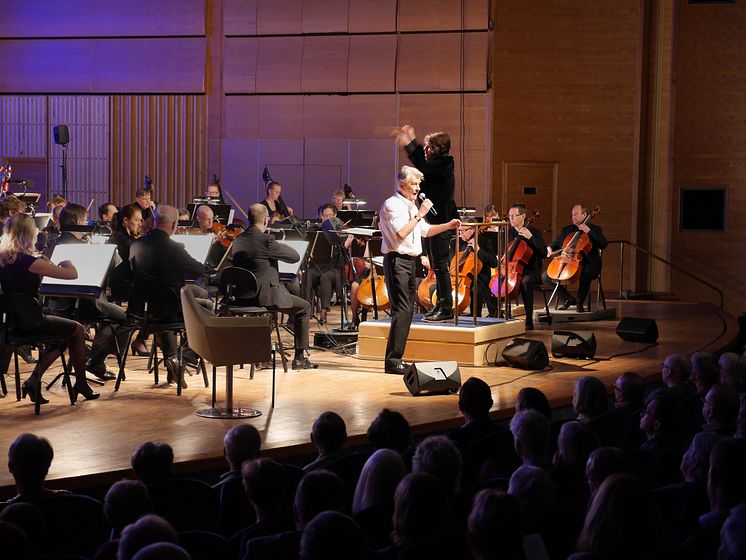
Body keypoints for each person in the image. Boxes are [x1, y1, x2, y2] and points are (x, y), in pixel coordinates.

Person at [0, 214, 100, 403]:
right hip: (30, 322)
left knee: (64, 334)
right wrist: (67, 262)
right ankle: (80, 383)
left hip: (8, 324)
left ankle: (34, 380)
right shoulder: (31, 262)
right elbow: (71, 275)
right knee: (77, 330)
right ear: (29, 235)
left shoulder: (3, 259)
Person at [378, 165, 460, 373]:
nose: (417, 188)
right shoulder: (392, 205)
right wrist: (420, 214)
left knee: (406, 310)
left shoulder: (412, 206)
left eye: (418, 184)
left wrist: (448, 225)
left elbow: (424, 230)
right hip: (397, 260)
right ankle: (393, 360)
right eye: (414, 184)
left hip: (409, 262)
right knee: (402, 310)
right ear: (402, 185)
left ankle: (396, 358)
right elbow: (400, 233)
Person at [129, 205, 210, 385]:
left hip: (143, 313)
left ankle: (173, 362)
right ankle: (183, 358)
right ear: (173, 224)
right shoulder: (174, 248)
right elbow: (198, 269)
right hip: (170, 312)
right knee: (207, 312)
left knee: (164, 310)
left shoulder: (136, 244)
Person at [232, 203, 316, 369]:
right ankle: (299, 359)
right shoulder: (266, 240)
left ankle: (261, 355)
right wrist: (275, 243)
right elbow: (294, 256)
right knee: (305, 307)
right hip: (265, 296)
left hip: (243, 297)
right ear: (265, 220)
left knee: (278, 305)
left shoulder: (238, 239)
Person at [394, 125, 459, 322]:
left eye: (427, 147)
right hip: (432, 221)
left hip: (441, 222)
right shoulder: (438, 165)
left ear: (436, 149)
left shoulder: (444, 164)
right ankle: (440, 305)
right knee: (436, 267)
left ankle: (446, 307)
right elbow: (424, 166)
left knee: (440, 267)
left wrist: (410, 143)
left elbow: (422, 166)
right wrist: (412, 141)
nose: (425, 150)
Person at [544, 204, 607, 312]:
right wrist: (549, 248)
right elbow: (555, 243)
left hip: (590, 262)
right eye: (572, 215)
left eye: (576, 214)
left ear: (584, 214)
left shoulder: (595, 229)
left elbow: (603, 244)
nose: (573, 217)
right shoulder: (567, 230)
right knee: (546, 276)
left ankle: (579, 302)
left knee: (585, 272)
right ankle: (568, 299)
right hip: (570, 261)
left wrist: (589, 231)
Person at [504, 203, 547, 328]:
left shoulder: (534, 232)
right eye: (510, 216)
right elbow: (504, 252)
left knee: (525, 282)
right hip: (512, 270)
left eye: (513, 216)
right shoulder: (509, 233)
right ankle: (500, 314)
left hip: (531, 271)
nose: (510, 218)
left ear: (523, 216)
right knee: (499, 282)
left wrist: (531, 237)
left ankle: (528, 319)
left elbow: (543, 252)